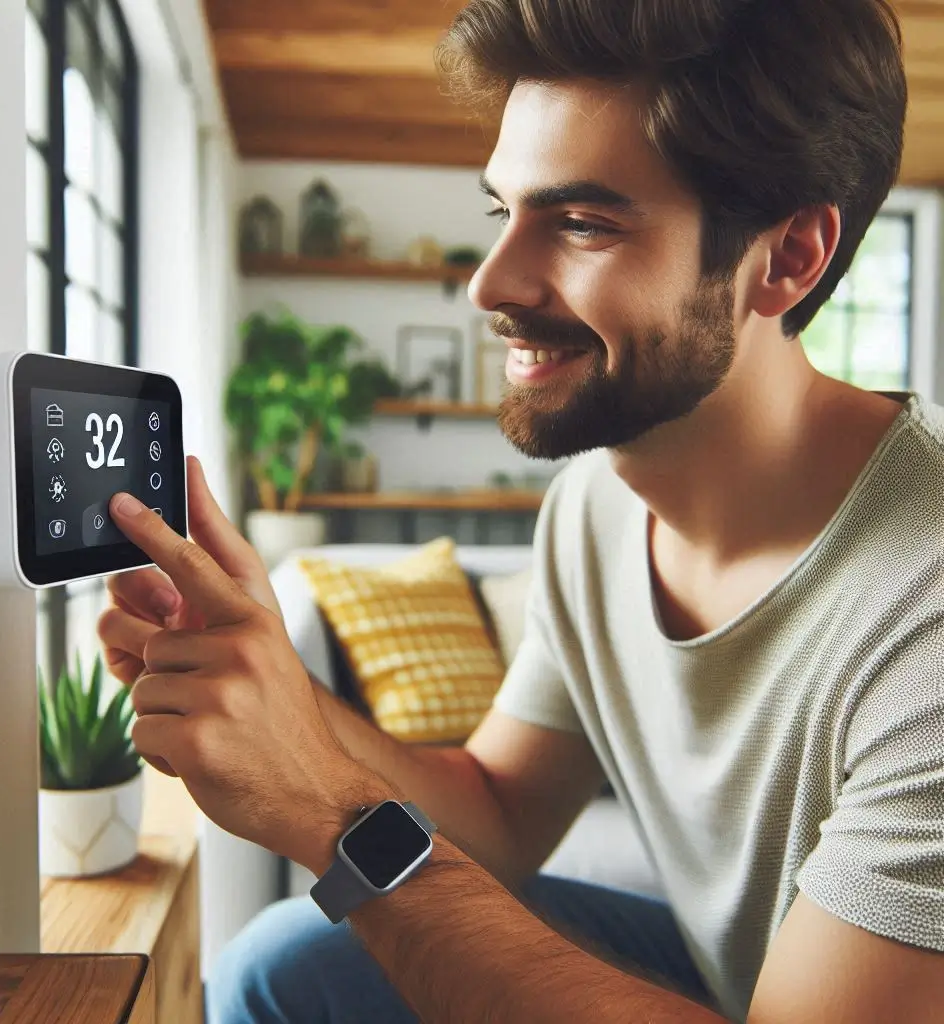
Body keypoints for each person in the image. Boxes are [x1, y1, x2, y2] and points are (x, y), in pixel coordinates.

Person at [98, 0, 944, 1020]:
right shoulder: (596, 502)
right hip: (742, 972)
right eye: (505, 212)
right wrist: (274, 686)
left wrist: (328, 806)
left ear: (789, 257)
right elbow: (498, 811)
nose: (489, 284)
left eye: (583, 223)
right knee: (288, 962)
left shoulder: (925, 603)